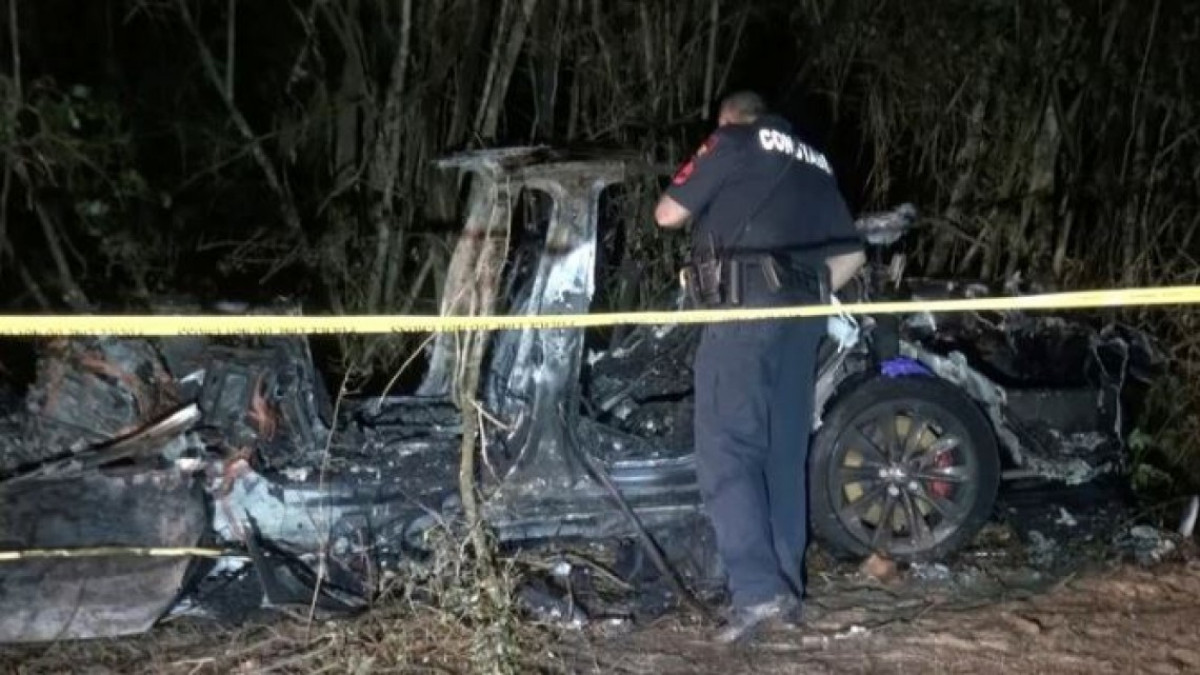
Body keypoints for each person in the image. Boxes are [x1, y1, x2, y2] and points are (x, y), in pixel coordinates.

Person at [654, 91, 866, 643]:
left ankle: (756, 591)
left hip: (744, 312)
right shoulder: (816, 163)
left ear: (728, 119)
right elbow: (852, 255)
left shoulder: (734, 140)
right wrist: (803, 295)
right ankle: (784, 594)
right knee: (781, 453)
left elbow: (667, 214)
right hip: (802, 321)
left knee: (726, 447)